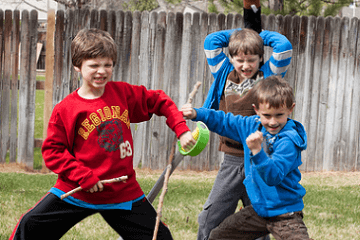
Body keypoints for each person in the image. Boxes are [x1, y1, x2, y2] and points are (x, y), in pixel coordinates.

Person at [9, 28, 196, 240]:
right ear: (77, 66)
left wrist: (181, 130)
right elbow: (53, 151)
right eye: (94, 65)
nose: (102, 71)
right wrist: (83, 176)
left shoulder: (123, 94)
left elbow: (160, 101)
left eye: (107, 65)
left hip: (122, 193)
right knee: (29, 226)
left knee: (159, 236)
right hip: (76, 190)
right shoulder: (67, 109)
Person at [197, 0, 293, 239]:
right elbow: (211, 41)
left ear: (260, 59)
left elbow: (283, 46)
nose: (246, 65)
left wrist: (257, 36)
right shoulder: (222, 73)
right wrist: (241, 35)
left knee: (259, 220)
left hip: (261, 159)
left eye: (251, 59)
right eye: (240, 59)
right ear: (231, 59)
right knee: (210, 217)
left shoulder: (268, 75)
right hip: (231, 160)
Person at [182, 75, 311, 240]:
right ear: (256, 110)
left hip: (285, 213)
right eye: (267, 115)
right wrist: (196, 113)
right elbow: (224, 121)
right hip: (259, 210)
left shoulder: (289, 140)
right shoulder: (251, 125)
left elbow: (273, 176)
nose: (273, 122)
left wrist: (257, 152)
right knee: (218, 236)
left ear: (290, 109)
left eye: (279, 115)